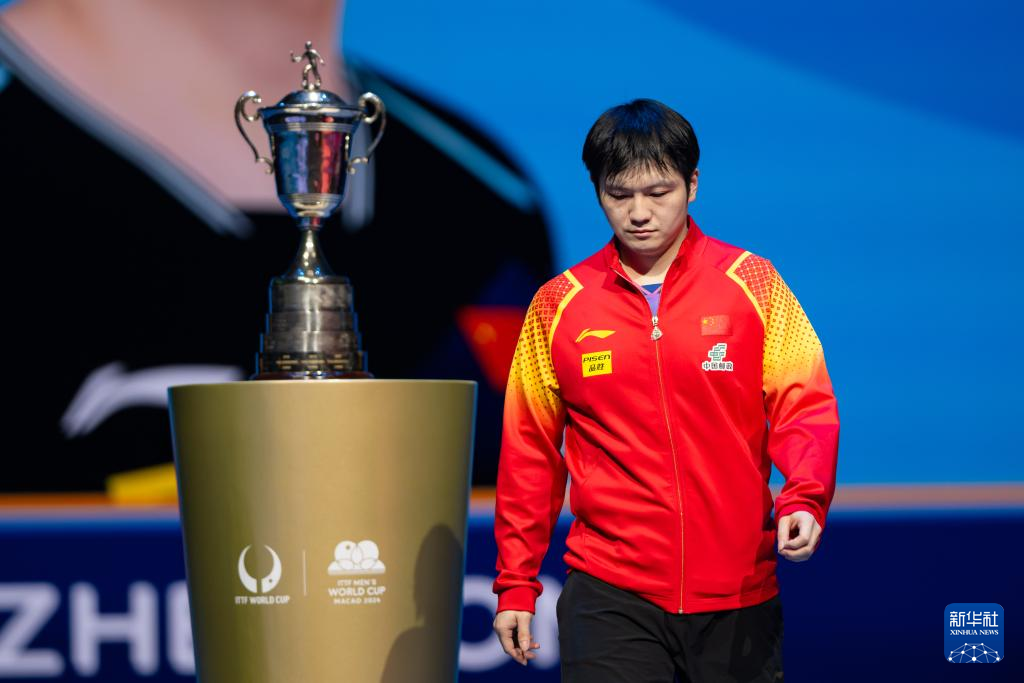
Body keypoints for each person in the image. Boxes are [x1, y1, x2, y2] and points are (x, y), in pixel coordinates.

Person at [491, 98, 839, 682]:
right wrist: (516, 582)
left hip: (738, 591)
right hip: (609, 592)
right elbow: (529, 452)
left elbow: (804, 404)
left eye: (659, 192)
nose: (639, 213)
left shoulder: (754, 283)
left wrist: (805, 497)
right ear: (597, 191)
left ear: (692, 185)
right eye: (619, 194)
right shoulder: (557, 305)